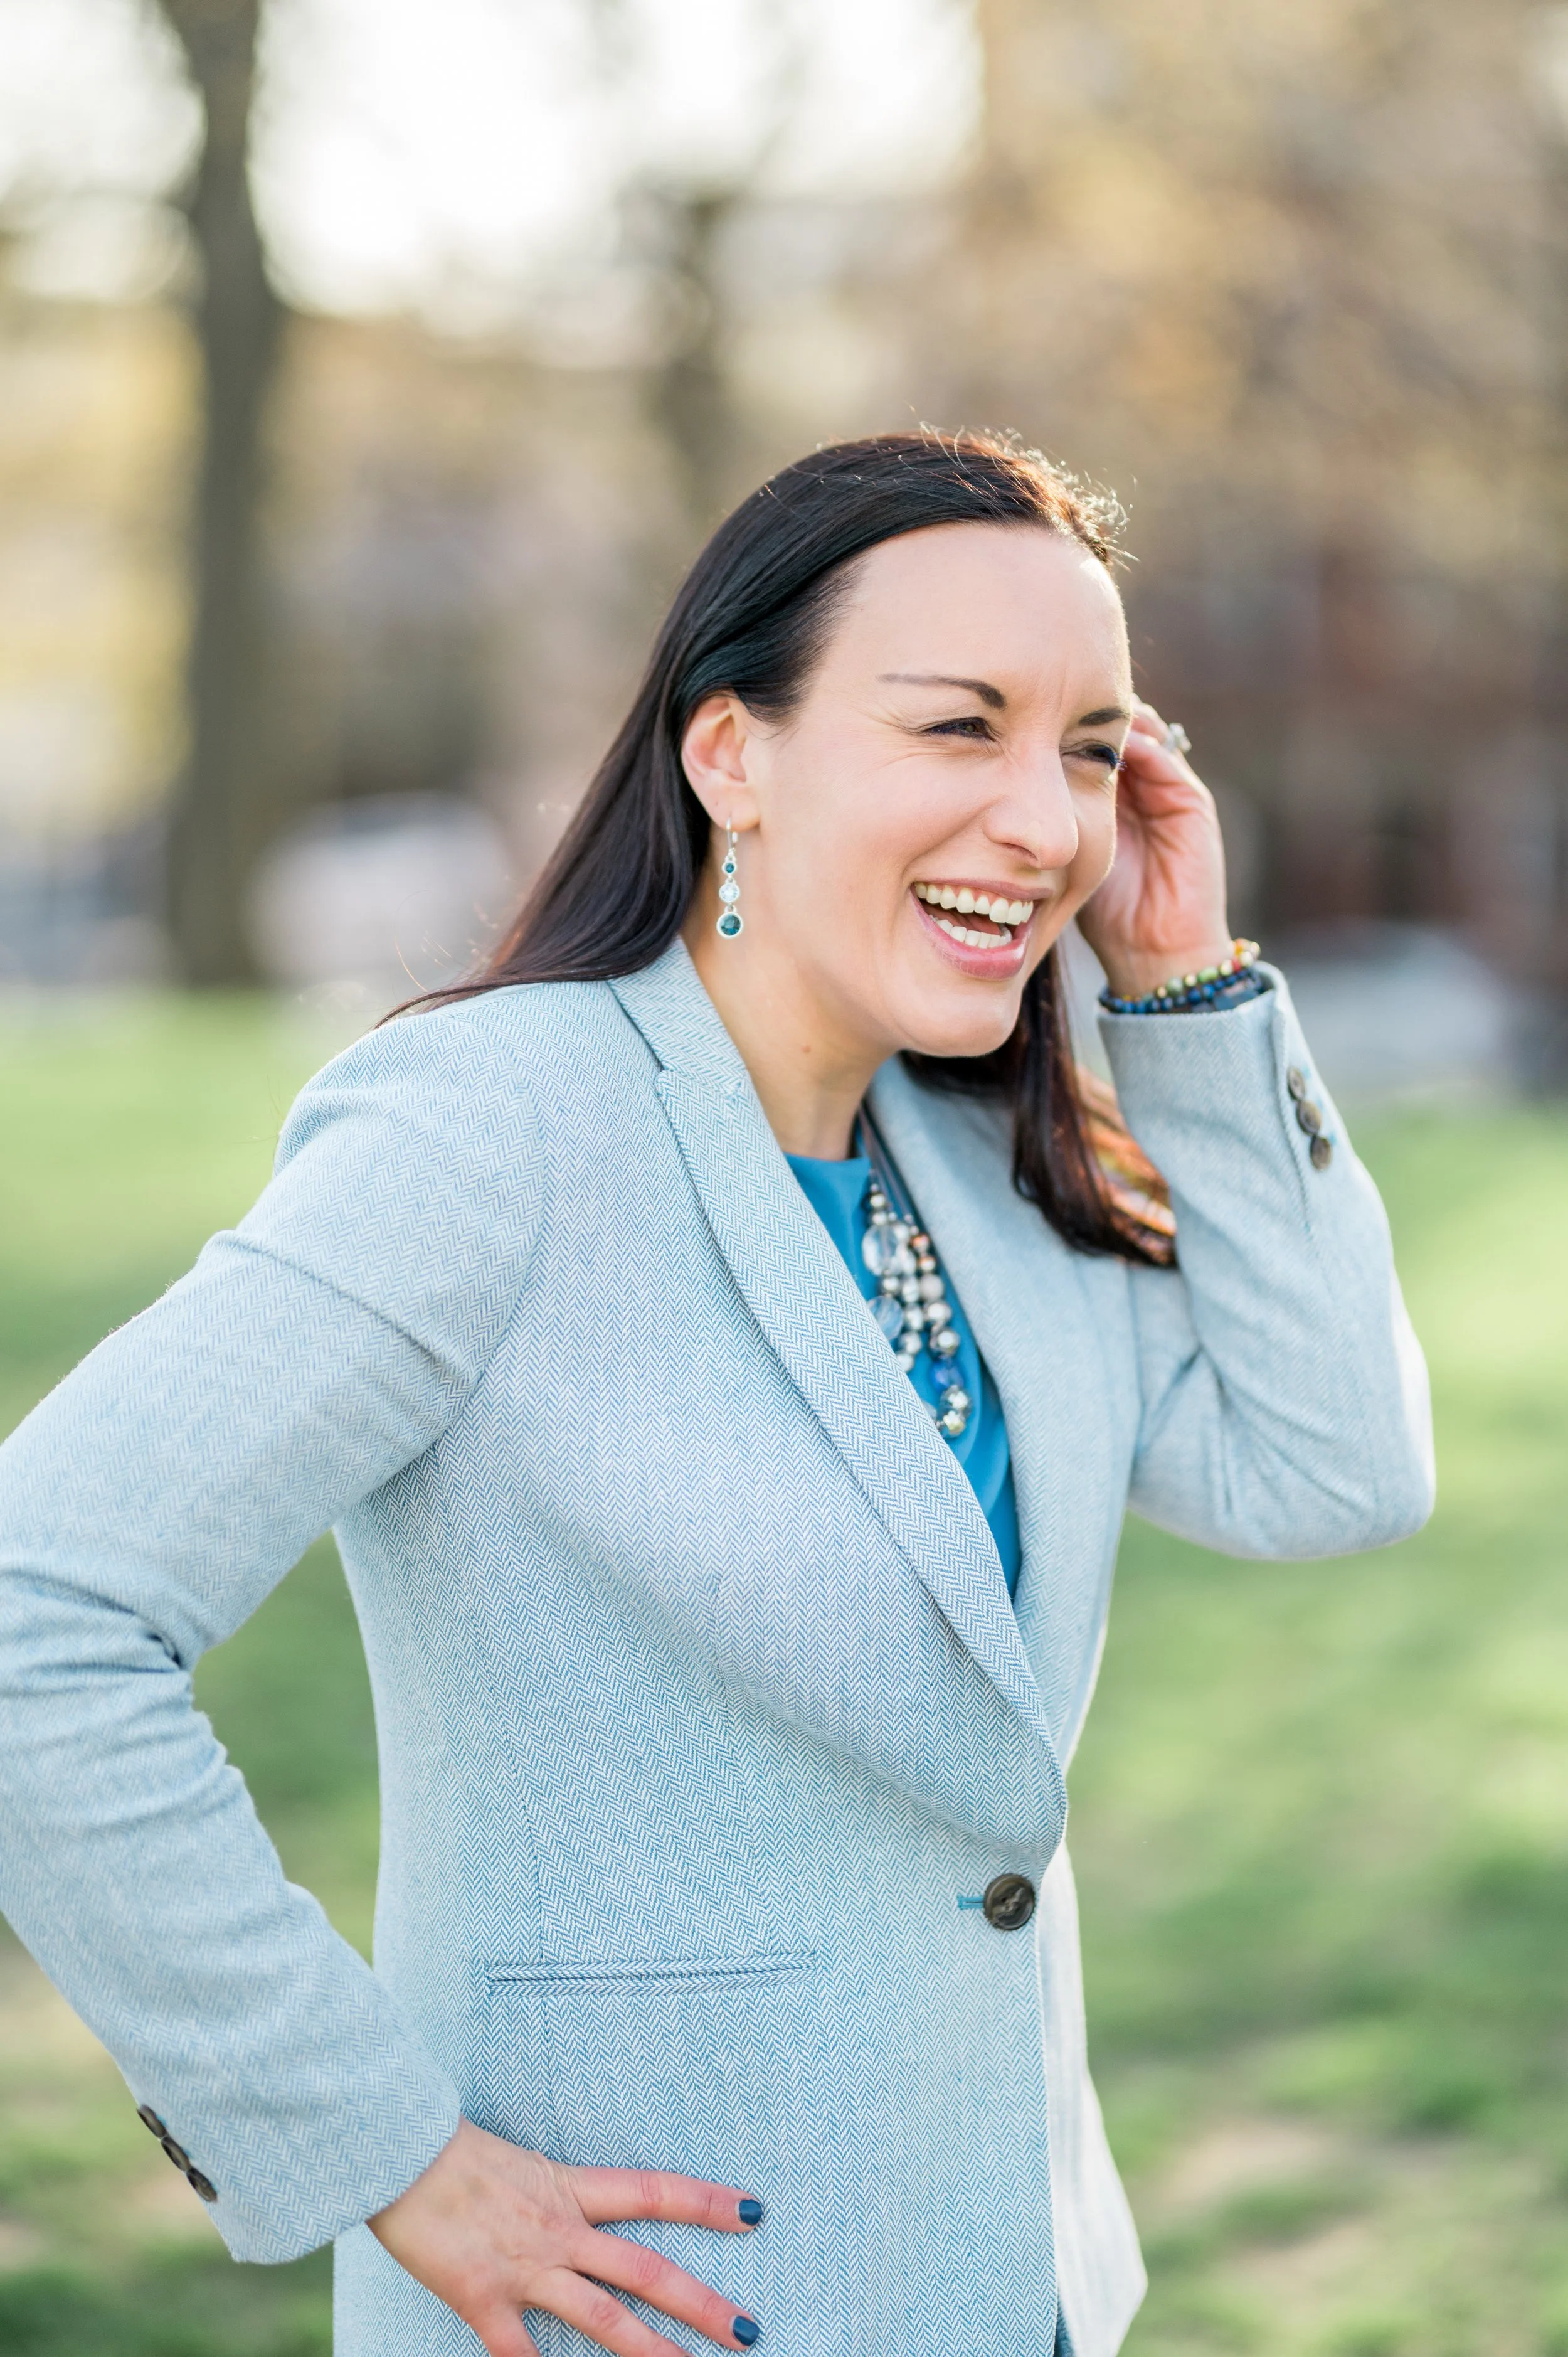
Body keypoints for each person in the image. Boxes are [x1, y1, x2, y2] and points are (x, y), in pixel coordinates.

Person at [0, 431, 1434, 2357]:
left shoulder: (987, 1172)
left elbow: (1337, 1468)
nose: (1042, 819)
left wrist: (1183, 983)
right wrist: (379, 2147)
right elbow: (37, 1611)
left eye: (1092, 750)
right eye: (959, 725)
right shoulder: (494, 1128)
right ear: (728, 753)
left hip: (1005, 2295)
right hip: (639, 2318)